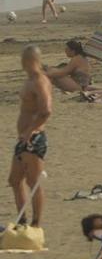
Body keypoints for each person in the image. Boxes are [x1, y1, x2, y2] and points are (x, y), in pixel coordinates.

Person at [12, 46, 53, 227]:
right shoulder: (29, 80)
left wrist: (29, 131)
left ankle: (36, 224)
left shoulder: (39, 81)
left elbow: (46, 111)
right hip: (23, 138)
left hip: (34, 138)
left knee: (33, 182)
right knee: (14, 180)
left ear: (30, 60)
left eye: (23, 59)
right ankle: (22, 220)